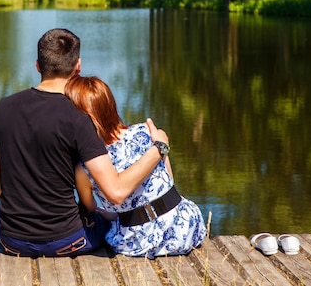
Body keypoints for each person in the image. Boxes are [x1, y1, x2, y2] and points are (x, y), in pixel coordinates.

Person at [0, 28, 170, 257]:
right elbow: (116, 191)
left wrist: (25, 207)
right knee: (111, 221)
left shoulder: (3, 108)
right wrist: (158, 149)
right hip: (67, 241)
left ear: (38, 66)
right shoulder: (79, 117)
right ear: (78, 66)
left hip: (12, 241)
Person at [65, 75, 207, 259]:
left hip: (139, 241)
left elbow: (90, 207)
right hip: (184, 228)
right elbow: (169, 181)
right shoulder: (147, 132)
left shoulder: (85, 168)